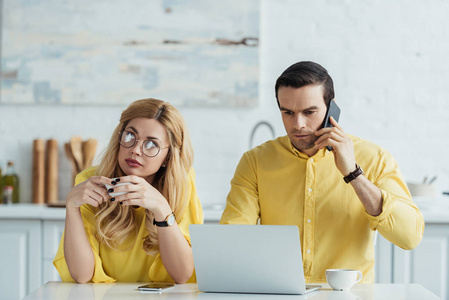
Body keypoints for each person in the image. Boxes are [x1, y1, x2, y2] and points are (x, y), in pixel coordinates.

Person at [220, 61, 424, 283]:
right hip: (280, 293)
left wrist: (354, 174)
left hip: (350, 297)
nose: (298, 124)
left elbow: (410, 237)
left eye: (309, 112)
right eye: (287, 112)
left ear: (332, 108)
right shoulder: (255, 162)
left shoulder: (375, 158)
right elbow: (233, 241)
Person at [54, 98, 203, 284]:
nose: (136, 150)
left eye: (151, 144)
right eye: (130, 136)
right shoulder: (90, 182)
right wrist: (71, 207)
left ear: (167, 157)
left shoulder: (182, 183)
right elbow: (81, 275)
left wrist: (161, 207)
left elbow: (182, 275)